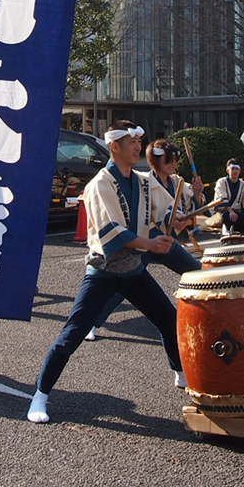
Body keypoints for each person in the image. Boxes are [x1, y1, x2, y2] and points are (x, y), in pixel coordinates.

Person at [28, 122, 185, 424]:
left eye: (139, 142)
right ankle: (40, 394)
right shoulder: (100, 183)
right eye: (131, 142)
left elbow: (162, 209)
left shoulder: (142, 181)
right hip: (104, 271)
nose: (138, 147)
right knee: (71, 335)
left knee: (169, 319)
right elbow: (113, 230)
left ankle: (180, 372)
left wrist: (174, 219)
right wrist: (151, 243)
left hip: (133, 270)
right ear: (114, 146)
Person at [86, 139, 201, 340]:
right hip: (144, 242)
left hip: (163, 242)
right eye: (168, 160)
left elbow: (186, 209)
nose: (173, 164)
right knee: (121, 288)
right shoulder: (145, 181)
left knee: (195, 270)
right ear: (156, 161)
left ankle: (209, 314)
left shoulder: (177, 182)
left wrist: (197, 195)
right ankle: (93, 323)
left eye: (175, 160)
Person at [214, 158, 244, 236]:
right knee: (228, 217)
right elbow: (221, 199)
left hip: (237, 213)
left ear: (240, 171)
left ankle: (237, 230)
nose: (235, 171)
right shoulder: (221, 182)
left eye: (237, 169)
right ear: (228, 170)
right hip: (224, 212)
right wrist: (230, 211)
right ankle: (226, 228)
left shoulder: (243, 184)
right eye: (233, 169)